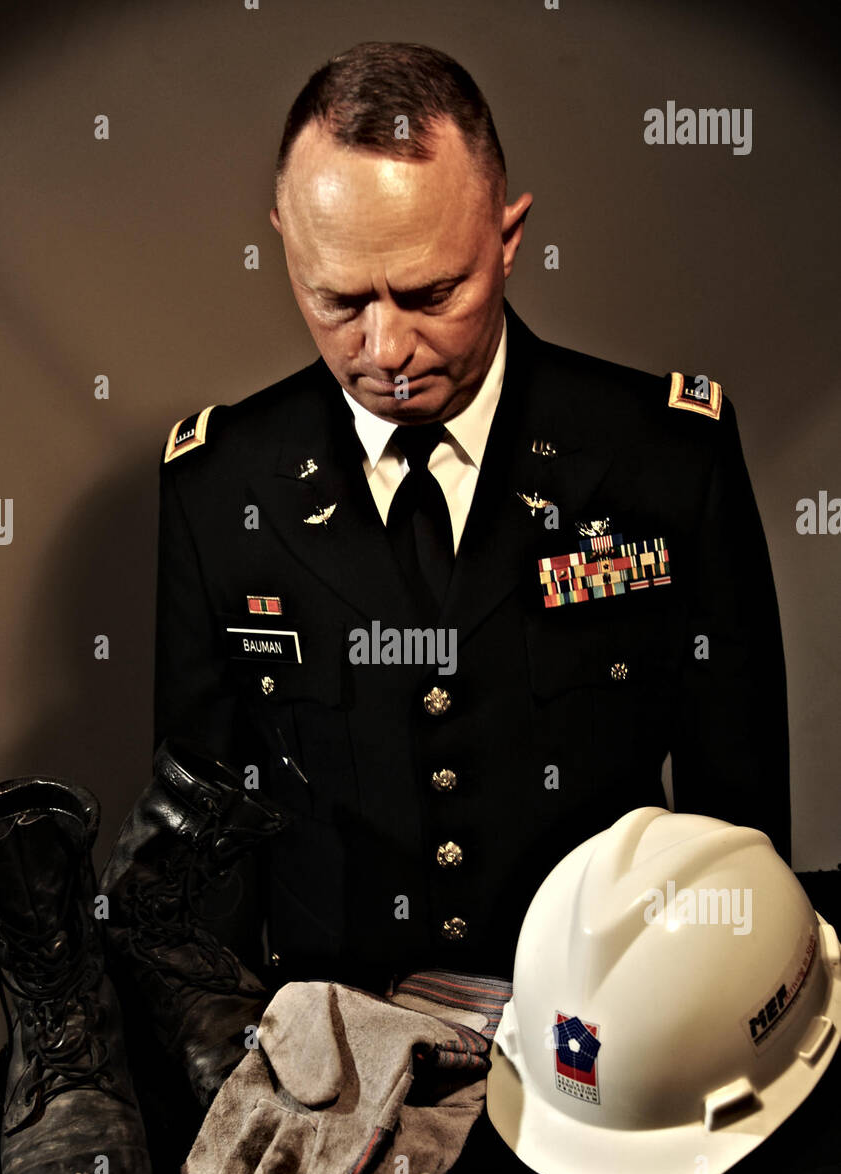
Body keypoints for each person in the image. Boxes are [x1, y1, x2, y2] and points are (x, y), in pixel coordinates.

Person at [153, 41, 790, 992]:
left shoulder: (664, 456)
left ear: (508, 236)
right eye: (337, 299)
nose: (387, 349)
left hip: (607, 1030)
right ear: (285, 239)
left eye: (430, 293)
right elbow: (199, 839)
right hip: (335, 1043)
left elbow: (736, 821)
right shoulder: (219, 484)